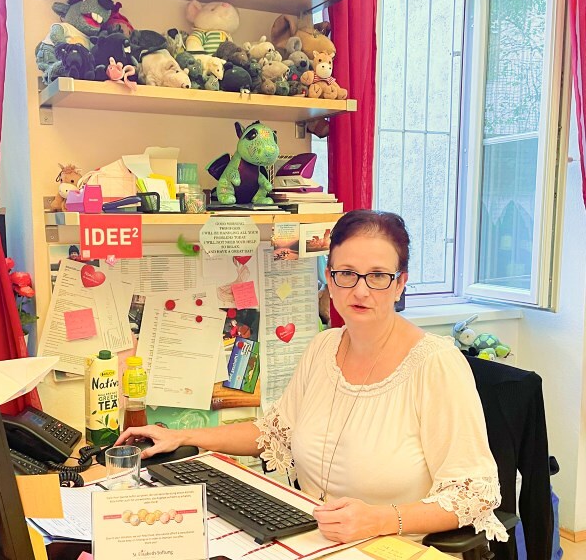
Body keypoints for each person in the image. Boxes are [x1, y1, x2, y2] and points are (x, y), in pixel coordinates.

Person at [116, 210, 509, 544]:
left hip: (393, 547)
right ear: (330, 280)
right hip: (312, 538)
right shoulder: (323, 348)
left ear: (400, 283)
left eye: (378, 276)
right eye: (346, 273)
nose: (361, 290)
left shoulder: (435, 365)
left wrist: (379, 519)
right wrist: (182, 436)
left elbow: (474, 494)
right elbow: (274, 434)